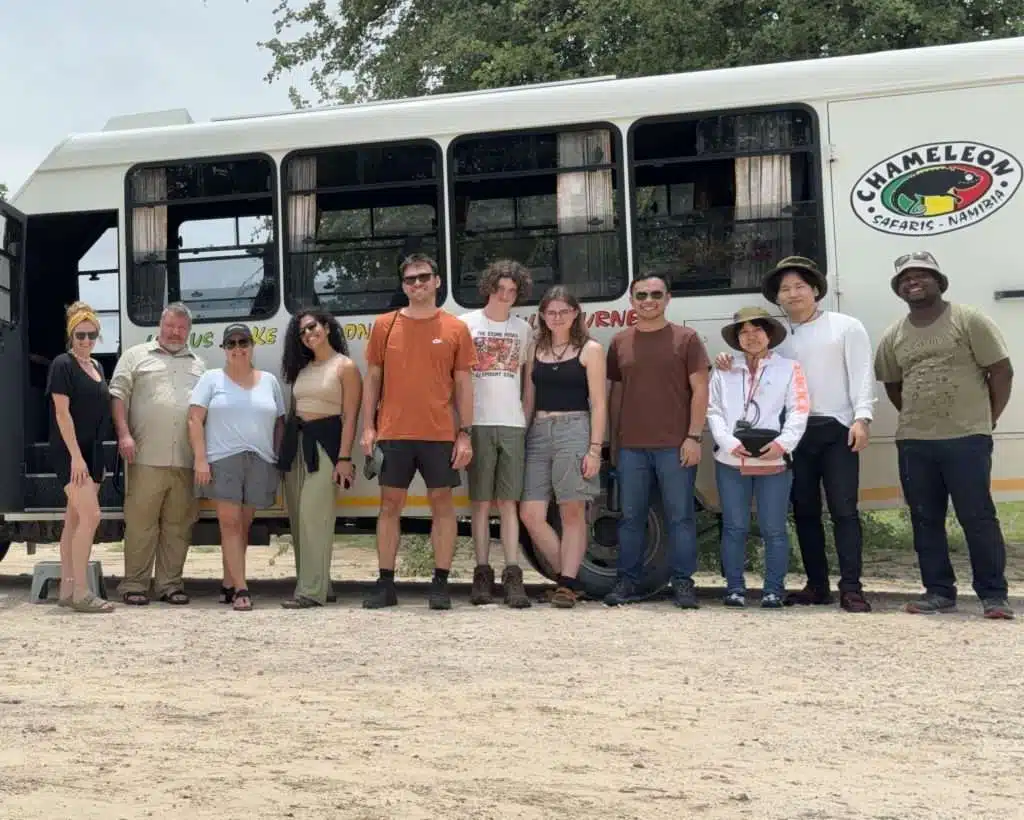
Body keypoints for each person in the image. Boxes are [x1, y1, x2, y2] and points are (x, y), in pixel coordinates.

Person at [718, 256, 876, 612]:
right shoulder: (779, 339)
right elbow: (755, 372)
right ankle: (817, 584)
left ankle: (851, 586)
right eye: (785, 289)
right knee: (804, 510)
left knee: (844, 509)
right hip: (794, 434)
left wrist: (862, 418)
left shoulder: (845, 326)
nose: (792, 294)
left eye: (799, 287)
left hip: (837, 427)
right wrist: (726, 363)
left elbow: (862, 374)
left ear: (816, 289)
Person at [875, 251, 1015, 619]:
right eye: (905, 278)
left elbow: (1001, 371)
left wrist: (988, 418)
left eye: (921, 275)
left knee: (977, 517)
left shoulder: (968, 320)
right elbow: (892, 383)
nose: (912, 282)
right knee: (924, 518)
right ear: (898, 289)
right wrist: (915, 416)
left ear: (939, 281)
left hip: (967, 438)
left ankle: (993, 596)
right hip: (915, 441)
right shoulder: (894, 335)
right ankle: (938, 592)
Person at [359, 254, 476, 610]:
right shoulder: (385, 325)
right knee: (389, 506)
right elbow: (374, 378)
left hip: (440, 434)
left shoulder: (456, 328)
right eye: (410, 280)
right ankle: (385, 584)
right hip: (393, 433)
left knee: (443, 507)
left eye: (424, 278)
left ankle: (440, 584)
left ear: (438, 281)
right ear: (403, 286)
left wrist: (465, 433)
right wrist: (368, 427)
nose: (417, 285)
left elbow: (464, 383)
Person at [604, 275, 711, 609]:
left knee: (680, 517)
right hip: (632, 448)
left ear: (668, 298)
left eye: (655, 294)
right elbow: (616, 395)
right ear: (632, 300)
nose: (648, 300)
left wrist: (693, 437)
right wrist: (613, 442)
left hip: (675, 446)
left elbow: (701, 391)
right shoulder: (620, 342)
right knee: (631, 518)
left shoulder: (687, 339)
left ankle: (683, 583)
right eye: (640, 295)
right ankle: (628, 583)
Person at [707, 307, 809, 608]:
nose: (751, 337)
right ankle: (735, 588)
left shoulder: (790, 368)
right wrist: (726, 441)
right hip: (731, 459)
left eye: (757, 330)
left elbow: (799, 409)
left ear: (769, 335)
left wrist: (783, 444)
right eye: (744, 332)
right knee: (734, 526)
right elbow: (713, 409)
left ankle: (773, 589)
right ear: (737, 338)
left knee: (773, 527)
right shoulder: (725, 368)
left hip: (773, 458)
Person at [110, 303, 206, 606]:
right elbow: (118, 395)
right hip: (145, 457)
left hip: (185, 460)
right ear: (160, 325)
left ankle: (169, 586)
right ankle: (134, 585)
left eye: (181, 328)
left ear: (188, 331)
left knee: (178, 527)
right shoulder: (136, 356)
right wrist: (123, 434)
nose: (175, 332)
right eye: (170, 326)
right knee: (141, 525)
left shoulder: (199, 365)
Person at [187, 324, 286, 612]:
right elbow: (194, 420)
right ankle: (242, 589)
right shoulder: (211, 379)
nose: (237, 348)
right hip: (223, 458)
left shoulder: (268, 381)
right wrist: (201, 458)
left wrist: (277, 456)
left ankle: (229, 582)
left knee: (243, 525)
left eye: (243, 342)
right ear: (224, 349)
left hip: (260, 459)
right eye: (231, 344)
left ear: (252, 345)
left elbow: (280, 422)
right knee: (229, 524)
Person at [520, 286, 607, 609]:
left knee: (572, 511)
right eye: (551, 312)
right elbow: (528, 400)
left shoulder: (590, 350)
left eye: (564, 311)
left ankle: (567, 584)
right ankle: (569, 579)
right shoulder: (535, 350)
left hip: (575, 429)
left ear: (575, 314)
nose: (557, 317)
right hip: (539, 431)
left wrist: (595, 449)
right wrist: (524, 435)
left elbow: (599, 403)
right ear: (542, 316)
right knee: (530, 513)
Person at [461, 260, 535, 608]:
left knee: (508, 503)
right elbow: (457, 380)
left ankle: (513, 573)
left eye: (512, 290)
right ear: (489, 287)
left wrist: (526, 417)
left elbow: (528, 380)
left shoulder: (524, 329)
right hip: (477, 422)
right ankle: (481, 572)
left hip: (512, 423)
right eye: (500, 288)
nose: (505, 295)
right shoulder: (466, 325)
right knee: (479, 503)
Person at [278, 309, 363, 608]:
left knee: (315, 517)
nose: (308, 334)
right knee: (299, 520)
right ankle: (320, 585)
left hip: (327, 446)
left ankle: (309, 592)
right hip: (297, 446)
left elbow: (351, 417)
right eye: (302, 332)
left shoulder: (345, 366)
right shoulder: (302, 368)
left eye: (312, 327)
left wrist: (344, 458)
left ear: (326, 327)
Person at [46, 302, 115, 613]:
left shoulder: (98, 367)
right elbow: (62, 414)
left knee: (73, 520)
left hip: (93, 451)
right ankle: (82, 594)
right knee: (91, 517)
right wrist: (76, 457)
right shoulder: (62, 365)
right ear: (70, 336)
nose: (86, 341)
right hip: (71, 453)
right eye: (80, 335)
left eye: (91, 335)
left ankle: (66, 589)